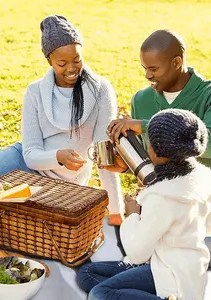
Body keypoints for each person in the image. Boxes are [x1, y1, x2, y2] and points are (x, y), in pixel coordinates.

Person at [0, 15, 124, 225]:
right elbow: (30, 155)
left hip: (60, 185)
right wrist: (58, 156)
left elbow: (104, 156)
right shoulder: (35, 92)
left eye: (77, 60)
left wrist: (116, 211)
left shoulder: (101, 90)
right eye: (62, 63)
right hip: (23, 164)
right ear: (49, 61)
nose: (71, 68)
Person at [77, 109, 211, 300]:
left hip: (170, 276)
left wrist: (133, 215)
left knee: (100, 293)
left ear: (155, 151)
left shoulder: (162, 197)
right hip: (185, 268)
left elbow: (137, 252)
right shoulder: (203, 177)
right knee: (86, 274)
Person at [106, 29, 211, 258]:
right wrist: (126, 165)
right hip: (159, 208)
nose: (147, 76)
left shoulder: (207, 95)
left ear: (177, 62)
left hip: (199, 209)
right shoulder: (141, 99)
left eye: (153, 69)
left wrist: (146, 125)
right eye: (144, 68)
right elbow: (152, 160)